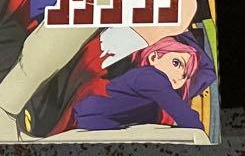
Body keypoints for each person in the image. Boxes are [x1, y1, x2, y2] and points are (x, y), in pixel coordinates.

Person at [74, 33, 215, 131]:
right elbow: (187, 118)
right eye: (176, 63)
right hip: (87, 119)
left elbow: (208, 73)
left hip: (99, 124)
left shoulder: (161, 89)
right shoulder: (149, 77)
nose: (179, 76)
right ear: (154, 57)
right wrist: (182, 31)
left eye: (185, 75)